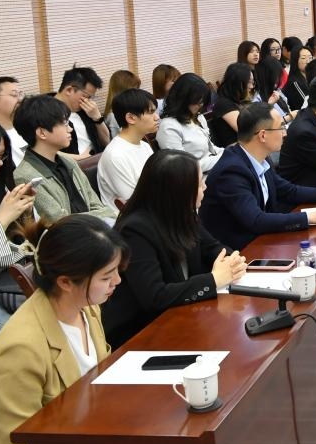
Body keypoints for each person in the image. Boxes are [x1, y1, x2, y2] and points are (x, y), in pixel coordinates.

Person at [0, 214, 127, 444]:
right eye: (107, 276)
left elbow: (99, 383)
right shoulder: (20, 349)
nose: (118, 281)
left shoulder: (87, 307)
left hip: (86, 442)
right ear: (66, 282)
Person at [103, 149, 247, 346]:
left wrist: (231, 261)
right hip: (143, 331)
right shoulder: (135, 230)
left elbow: (214, 248)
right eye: (199, 184)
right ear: (179, 191)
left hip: (185, 314)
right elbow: (155, 296)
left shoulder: (183, 214)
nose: (205, 187)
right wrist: (214, 279)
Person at [199, 103, 316, 251]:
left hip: (261, 241)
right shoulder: (232, 171)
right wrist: (311, 217)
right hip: (238, 252)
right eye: (280, 127)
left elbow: (289, 191)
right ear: (263, 135)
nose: (285, 133)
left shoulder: (258, 158)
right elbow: (256, 220)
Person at [12, 95, 115, 222]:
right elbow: (60, 220)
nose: (70, 129)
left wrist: (107, 215)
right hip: (72, 232)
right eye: (65, 124)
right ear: (42, 133)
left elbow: (95, 203)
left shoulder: (68, 161)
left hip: (95, 225)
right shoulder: (26, 176)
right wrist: (105, 215)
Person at [0, 118, 36, 334]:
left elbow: (24, 245)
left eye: (2, 156)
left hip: (12, 279)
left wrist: (25, 213)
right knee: (26, 333)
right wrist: (2, 219)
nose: (0, 164)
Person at [96, 89, 159, 208]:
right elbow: (133, 200)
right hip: (128, 216)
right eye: (151, 112)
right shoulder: (115, 155)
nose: (156, 117)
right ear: (131, 118)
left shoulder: (144, 145)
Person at [157, 74, 222, 173]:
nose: (201, 105)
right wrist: (221, 159)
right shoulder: (168, 127)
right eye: (198, 101)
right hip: (196, 177)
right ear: (184, 99)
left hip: (212, 170)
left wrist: (229, 153)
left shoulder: (197, 117)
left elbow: (211, 148)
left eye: (203, 101)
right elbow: (182, 167)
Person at [55, 67, 109, 159]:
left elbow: (107, 142)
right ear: (69, 90)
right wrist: (79, 158)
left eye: (90, 98)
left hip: (97, 160)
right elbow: (40, 150)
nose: (87, 101)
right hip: (73, 165)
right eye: (85, 96)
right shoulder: (45, 111)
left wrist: (97, 118)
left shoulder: (86, 110)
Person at [208, 62, 253, 148]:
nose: (251, 86)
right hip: (235, 150)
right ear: (238, 83)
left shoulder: (239, 101)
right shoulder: (224, 104)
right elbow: (246, 130)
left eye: (252, 82)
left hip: (246, 146)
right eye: (249, 82)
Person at [101, 70, 142, 140]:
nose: (137, 93)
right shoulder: (113, 116)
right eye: (134, 90)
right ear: (123, 92)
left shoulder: (130, 107)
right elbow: (118, 141)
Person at [282, 44, 312, 112]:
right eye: (303, 58)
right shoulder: (295, 83)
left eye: (310, 58)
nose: (308, 61)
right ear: (295, 61)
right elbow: (309, 105)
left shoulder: (312, 78)